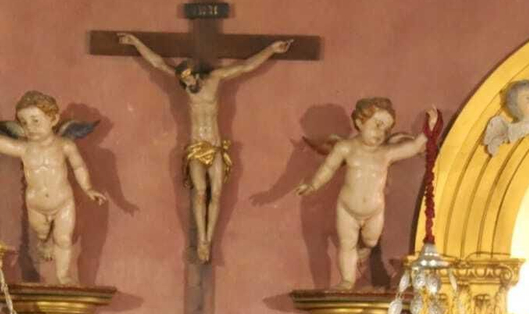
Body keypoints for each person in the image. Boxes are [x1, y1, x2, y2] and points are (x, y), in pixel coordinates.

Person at [116, 32, 292, 263]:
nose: (188, 84)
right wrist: (136, 42)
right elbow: (158, 63)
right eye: (184, 81)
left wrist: (271, 50)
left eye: (190, 79)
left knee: (216, 193)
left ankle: (209, 238)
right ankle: (201, 240)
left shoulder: (215, 79)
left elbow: (245, 66)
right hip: (196, 147)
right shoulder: (186, 87)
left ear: (196, 74)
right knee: (199, 193)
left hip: (215, 146)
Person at [295, 98, 435, 289]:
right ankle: (347, 280)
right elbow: (328, 168)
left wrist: (429, 129)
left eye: (386, 129)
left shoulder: (386, 153)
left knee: (371, 239)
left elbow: (413, 147)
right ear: (360, 122)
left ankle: (366, 248)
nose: (381, 132)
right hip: (347, 209)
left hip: (374, 210)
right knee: (347, 244)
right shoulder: (345, 147)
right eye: (377, 124)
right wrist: (313, 185)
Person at [0, 90, 108, 285]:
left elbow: (78, 166)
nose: (30, 127)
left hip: (63, 202)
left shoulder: (65, 145)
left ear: (53, 119)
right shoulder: (25, 148)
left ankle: (63, 276)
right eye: (24, 123)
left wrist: (88, 188)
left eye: (35, 121)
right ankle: (44, 240)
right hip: (36, 204)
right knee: (41, 230)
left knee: (64, 239)